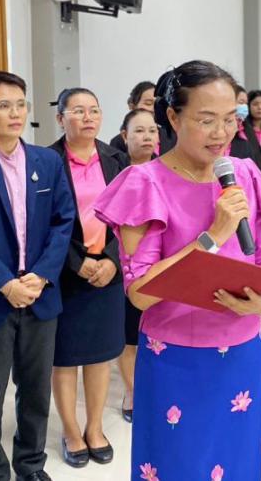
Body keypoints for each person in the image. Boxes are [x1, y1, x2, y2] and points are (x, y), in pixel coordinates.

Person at [93, 60, 261, 480]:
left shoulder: (245, 175)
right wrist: (212, 237)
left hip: (242, 352)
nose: (221, 133)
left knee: (238, 465)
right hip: (174, 358)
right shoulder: (143, 183)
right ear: (173, 117)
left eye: (230, 119)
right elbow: (140, 293)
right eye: (206, 120)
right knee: (177, 465)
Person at [0, 71, 75, 481]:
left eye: (21, 104)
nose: (15, 113)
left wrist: (41, 276)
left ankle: (30, 464)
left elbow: (64, 221)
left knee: (36, 390)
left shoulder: (48, 161)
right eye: (3, 105)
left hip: (40, 294)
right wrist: (5, 283)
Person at [48, 88, 128, 468]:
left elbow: (130, 218)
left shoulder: (117, 159)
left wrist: (112, 260)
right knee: (64, 358)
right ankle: (70, 430)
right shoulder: (47, 160)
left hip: (108, 272)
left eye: (94, 110)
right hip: (66, 273)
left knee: (99, 357)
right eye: (78, 111)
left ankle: (94, 428)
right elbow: (44, 223)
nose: (88, 117)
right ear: (60, 118)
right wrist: (76, 263)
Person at [115, 108, 160, 423]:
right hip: (123, 268)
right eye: (139, 131)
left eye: (152, 131)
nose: (147, 137)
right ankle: (133, 393)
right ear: (124, 136)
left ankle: (155, 391)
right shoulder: (116, 173)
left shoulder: (166, 172)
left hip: (159, 267)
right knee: (129, 337)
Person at [109, 81, 175, 155]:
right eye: (148, 103)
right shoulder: (118, 142)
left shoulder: (172, 137)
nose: (154, 109)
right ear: (132, 106)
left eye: (157, 104)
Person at [229, 85, 261, 171]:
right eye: (241, 102)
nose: (244, 107)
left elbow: (257, 158)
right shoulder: (225, 132)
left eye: (246, 103)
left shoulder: (247, 129)